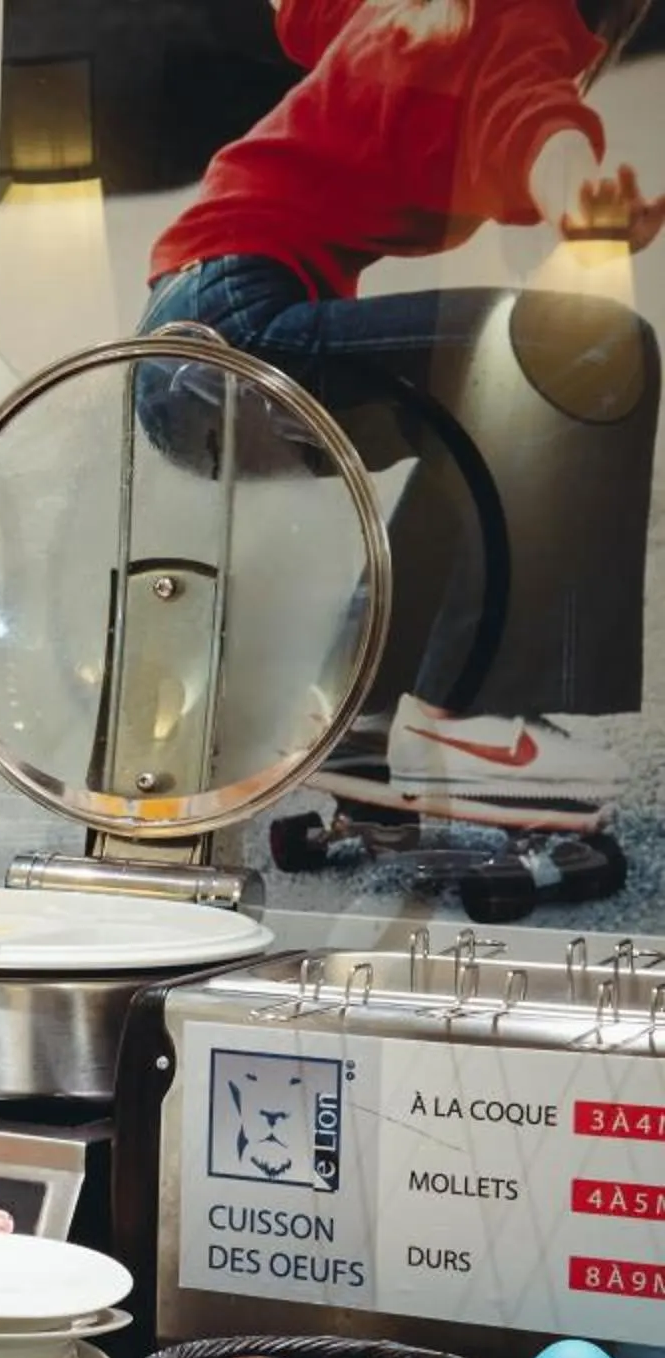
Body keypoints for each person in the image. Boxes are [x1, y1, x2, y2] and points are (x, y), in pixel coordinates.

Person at [139, 0, 659, 831]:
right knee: (591, 347)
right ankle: (474, 717)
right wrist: (579, 199)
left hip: (181, 351)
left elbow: (302, 14)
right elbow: (535, 118)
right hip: (238, 330)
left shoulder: (407, 13)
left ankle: (358, 716)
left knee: (477, 420)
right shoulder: (517, 15)